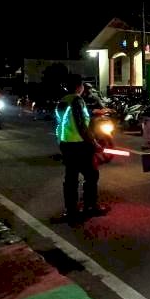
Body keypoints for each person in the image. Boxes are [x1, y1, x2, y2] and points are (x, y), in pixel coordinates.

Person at [55, 74, 106, 224]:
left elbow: (62, 123)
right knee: (91, 175)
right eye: (82, 85)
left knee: (70, 178)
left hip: (66, 144)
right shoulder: (77, 100)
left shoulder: (63, 101)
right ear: (79, 86)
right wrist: (94, 143)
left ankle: (71, 211)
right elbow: (81, 125)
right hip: (79, 145)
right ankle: (90, 206)